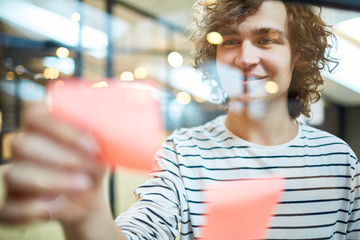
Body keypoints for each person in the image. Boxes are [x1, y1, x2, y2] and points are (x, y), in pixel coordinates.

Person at [0, 0, 359, 239]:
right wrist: (88, 212)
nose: (245, 57)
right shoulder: (181, 154)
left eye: (266, 40)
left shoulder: (340, 161)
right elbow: (141, 230)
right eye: (231, 41)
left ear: (298, 56)